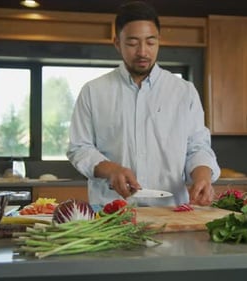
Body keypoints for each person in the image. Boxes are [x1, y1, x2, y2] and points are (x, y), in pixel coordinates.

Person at [67, 0, 220, 207]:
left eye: (150, 42)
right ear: (117, 43)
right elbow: (79, 148)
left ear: (159, 41)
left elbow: (197, 147)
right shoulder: (93, 91)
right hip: (112, 212)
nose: (142, 52)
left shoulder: (184, 92)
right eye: (132, 43)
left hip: (172, 213)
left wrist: (202, 177)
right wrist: (111, 169)